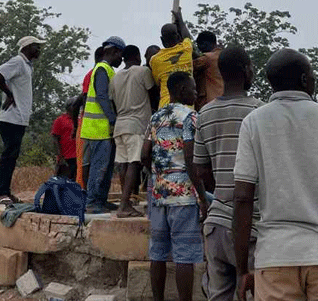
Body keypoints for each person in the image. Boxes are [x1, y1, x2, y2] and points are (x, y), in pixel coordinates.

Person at [233, 48, 318, 301]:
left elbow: (242, 198)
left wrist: (242, 270)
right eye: (312, 76)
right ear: (304, 80)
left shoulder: (253, 123)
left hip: (275, 257)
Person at [194, 46, 263, 301]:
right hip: (253, 228)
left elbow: (202, 171)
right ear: (246, 71)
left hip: (217, 226)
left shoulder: (205, 113)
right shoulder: (260, 112)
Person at [142, 71, 208, 301]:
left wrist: (157, 174)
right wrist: (203, 197)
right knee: (184, 255)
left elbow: (144, 154)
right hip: (183, 196)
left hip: (158, 195)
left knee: (157, 253)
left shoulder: (155, 117)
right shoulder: (190, 116)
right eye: (193, 88)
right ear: (181, 90)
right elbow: (191, 159)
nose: (196, 93)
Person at [0, 35, 44, 205]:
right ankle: (1, 193)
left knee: (12, 156)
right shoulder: (18, 61)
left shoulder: (27, 66)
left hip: (18, 119)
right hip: (10, 118)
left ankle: (5, 192)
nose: (39, 49)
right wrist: (9, 94)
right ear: (26, 47)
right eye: (36, 46)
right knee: (8, 155)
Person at [109, 45, 156, 218]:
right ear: (137, 56)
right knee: (134, 163)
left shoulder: (115, 78)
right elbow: (153, 95)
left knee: (123, 163)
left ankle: (126, 201)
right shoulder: (143, 71)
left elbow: (112, 103)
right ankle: (124, 205)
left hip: (120, 125)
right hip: (136, 125)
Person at [81, 37, 125, 213]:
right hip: (97, 128)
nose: (121, 60)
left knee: (106, 168)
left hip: (103, 129)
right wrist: (112, 118)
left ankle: (101, 200)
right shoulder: (101, 69)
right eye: (120, 55)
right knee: (99, 167)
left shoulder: (108, 70)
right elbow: (101, 96)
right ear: (114, 51)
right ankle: (92, 202)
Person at [150, 9, 194, 109]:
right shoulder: (186, 49)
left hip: (165, 107)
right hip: (186, 107)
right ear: (178, 37)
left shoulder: (155, 60)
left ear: (162, 39)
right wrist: (180, 19)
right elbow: (187, 36)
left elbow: (157, 82)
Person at [76, 46, 107, 189]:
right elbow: (84, 98)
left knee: (87, 162)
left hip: (89, 123)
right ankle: (87, 192)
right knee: (90, 162)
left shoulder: (92, 73)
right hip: (92, 125)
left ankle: (86, 191)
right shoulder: (96, 73)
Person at [193, 31, 224, 111]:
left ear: (205, 44)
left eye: (200, 45)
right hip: (223, 99)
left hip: (208, 102)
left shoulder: (207, 58)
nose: (199, 49)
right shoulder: (223, 56)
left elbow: (188, 66)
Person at [51, 97, 79, 179]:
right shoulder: (60, 120)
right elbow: (55, 139)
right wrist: (60, 156)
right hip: (66, 157)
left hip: (78, 156)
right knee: (63, 181)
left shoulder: (80, 119)